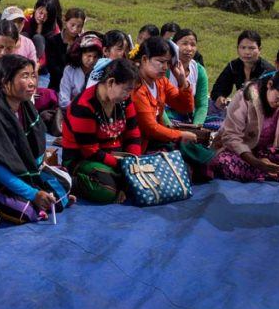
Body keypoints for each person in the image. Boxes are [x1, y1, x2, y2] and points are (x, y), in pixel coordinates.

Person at [0, 55, 71, 223]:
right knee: (26, 212)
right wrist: (33, 193)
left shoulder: (23, 103)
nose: (33, 82)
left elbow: (34, 149)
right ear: (5, 82)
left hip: (14, 165)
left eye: (33, 75)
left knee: (64, 186)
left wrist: (38, 182)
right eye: (24, 76)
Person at [210, 70, 279, 182]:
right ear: (269, 85)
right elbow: (231, 137)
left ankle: (263, 173)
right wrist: (257, 163)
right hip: (243, 155)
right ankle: (271, 173)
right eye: (278, 97)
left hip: (270, 154)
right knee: (223, 162)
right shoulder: (245, 97)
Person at [60, 59, 141, 203]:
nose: (129, 94)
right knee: (106, 190)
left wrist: (133, 160)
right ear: (110, 82)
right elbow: (90, 151)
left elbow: (133, 133)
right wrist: (122, 166)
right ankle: (72, 181)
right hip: (83, 159)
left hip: (116, 157)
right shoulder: (83, 106)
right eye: (127, 89)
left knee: (138, 176)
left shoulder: (124, 101)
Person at [129, 37, 213, 173]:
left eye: (168, 62)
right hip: (139, 144)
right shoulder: (137, 88)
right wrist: (180, 135)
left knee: (197, 156)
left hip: (156, 138)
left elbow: (185, 107)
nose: (165, 67)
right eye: (161, 62)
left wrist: (182, 82)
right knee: (187, 163)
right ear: (144, 60)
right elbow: (150, 128)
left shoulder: (160, 81)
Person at [209, 30, 275, 111]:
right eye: (243, 47)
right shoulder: (233, 66)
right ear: (238, 49)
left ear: (259, 49)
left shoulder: (268, 71)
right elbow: (218, 89)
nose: (247, 52)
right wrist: (220, 97)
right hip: (241, 110)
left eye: (251, 48)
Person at [165, 29, 210, 125]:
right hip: (166, 115)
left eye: (193, 45)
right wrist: (169, 126)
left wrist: (196, 126)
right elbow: (159, 103)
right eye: (184, 44)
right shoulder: (165, 68)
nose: (189, 48)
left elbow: (202, 105)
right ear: (174, 45)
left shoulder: (200, 71)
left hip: (188, 117)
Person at [59, 33, 104, 110]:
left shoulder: (101, 72)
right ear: (80, 55)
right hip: (72, 111)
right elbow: (63, 101)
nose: (91, 60)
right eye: (88, 56)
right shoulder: (69, 70)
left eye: (95, 57)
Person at [45, 7, 86, 91]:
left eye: (79, 26)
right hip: (56, 85)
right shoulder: (52, 41)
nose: (75, 29)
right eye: (72, 25)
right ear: (65, 20)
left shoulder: (82, 43)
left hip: (77, 87)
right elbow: (51, 67)